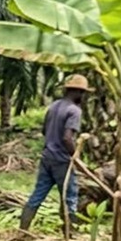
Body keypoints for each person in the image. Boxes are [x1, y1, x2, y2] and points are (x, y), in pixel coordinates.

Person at [20, 73, 92, 231]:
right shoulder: (74, 111)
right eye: (83, 93)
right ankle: (70, 231)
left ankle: (23, 229)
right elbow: (67, 138)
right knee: (70, 197)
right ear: (78, 92)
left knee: (38, 194)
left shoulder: (53, 106)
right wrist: (75, 157)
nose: (83, 96)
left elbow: (45, 130)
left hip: (47, 157)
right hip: (62, 161)